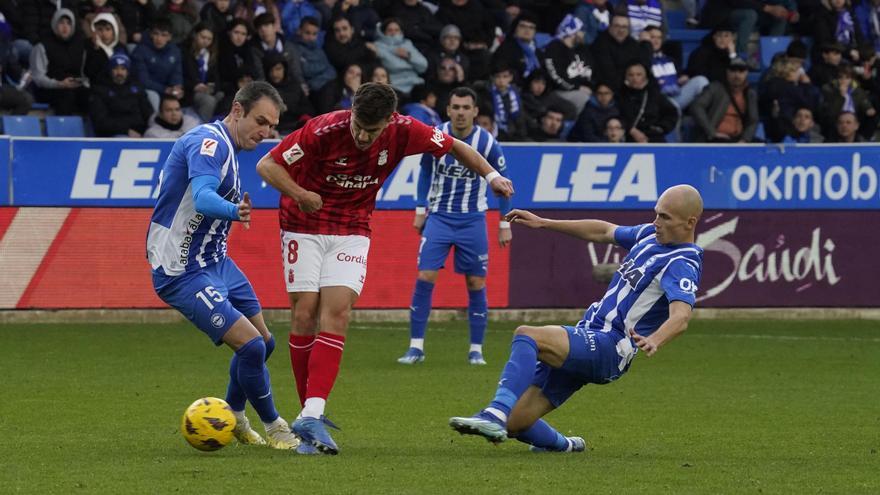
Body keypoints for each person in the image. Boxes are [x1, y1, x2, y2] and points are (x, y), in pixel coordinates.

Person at [255, 82, 514, 455]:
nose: (362, 135)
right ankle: (308, 418)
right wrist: (300, 194)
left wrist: (491, 177)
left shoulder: (406, 131)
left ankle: (312, 413)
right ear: (352, 111)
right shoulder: (323, 128)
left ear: (389, 121)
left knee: (338, 312)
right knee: (305, 314)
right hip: (303, 224)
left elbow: (455, 146)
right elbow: (268, 164)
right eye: (358, 125)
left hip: (352, 228)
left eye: (371, 131)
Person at [449, 184, 704, 452]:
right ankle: (565, 445)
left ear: (690, 222)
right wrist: (544, 222)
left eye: (665, 217)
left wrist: (656, 339)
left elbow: (681, 315)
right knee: (516, 424)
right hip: (590, 336)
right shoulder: (649, 236)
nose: (656, 222)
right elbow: (604, 230)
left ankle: (494, 414)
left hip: (610, 346)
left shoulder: (682, 262)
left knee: (527, 334)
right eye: (657, 214)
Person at [146, 81, 300, 451]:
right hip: (181, 269)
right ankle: (276, 426)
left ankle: (233, 414)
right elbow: (201, 198)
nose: (265, 132)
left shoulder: (230, 148)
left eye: (271, 126)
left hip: (215, 260)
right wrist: (235, 211)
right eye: (260, 121)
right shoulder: (208, 143)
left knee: (264, 343)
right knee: (250, 347)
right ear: (236, 110)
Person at [397, 87, 512, 367]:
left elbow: (503, 181)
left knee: (476, 282)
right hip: (439, 217)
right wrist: (420, 210)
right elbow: (425, 171)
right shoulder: (435, 137)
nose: (461, 112)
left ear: (475, 112)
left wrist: (504, 223)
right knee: (425, 276)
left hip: (473, 219)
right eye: (456, 107)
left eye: (466, 108)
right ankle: (416, 348)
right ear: (448, 110)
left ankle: (476, 350)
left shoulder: (486, 142)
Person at [89, 52, 153, 137]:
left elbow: (148, 113)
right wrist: (126, 130)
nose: (119, 72)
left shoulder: (137, 88)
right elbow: (101, 121)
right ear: (110, 70)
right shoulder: (100, 90)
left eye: (123, 69)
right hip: (115, 134)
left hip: (140, 132)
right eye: (115, 68)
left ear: (128, 71)